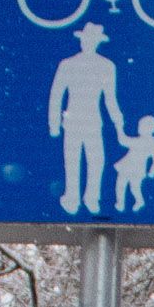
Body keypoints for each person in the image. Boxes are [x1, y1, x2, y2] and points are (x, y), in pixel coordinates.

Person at [47, 24, 122, 215]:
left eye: (91, 40)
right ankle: (73, 198)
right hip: (73, 121)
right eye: (85, 39)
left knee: (95, 161)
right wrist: (54, 124)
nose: (87, 43)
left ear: (96, 42)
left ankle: (91, 198)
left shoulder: (106, 66)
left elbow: (110, 99)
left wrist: (117, 122)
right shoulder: (68, 64)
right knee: (73, 161)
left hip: (92, 121)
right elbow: (56, 96)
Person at [113, 116, 154, 211]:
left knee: (132, 187)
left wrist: (119, 128)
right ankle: (121, 203)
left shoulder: (145, 141)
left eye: (141, 126)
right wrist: (152, 172)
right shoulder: (150, 141)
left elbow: (123, 141)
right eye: (139, 125)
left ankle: (135, 201)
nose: (139, 128)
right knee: (122, 184)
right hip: (129, 167)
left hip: (134, 168)